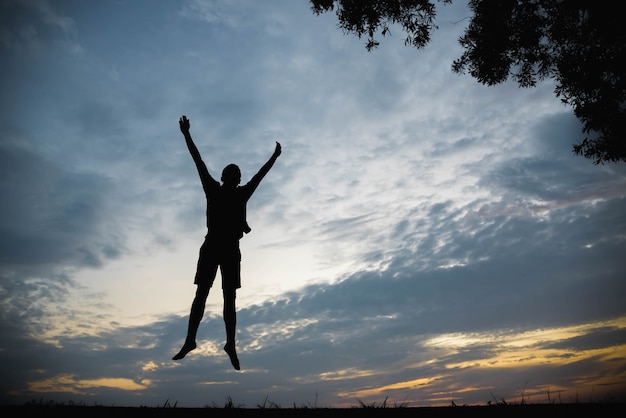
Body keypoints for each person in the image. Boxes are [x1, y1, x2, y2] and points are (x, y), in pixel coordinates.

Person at [173, 115, 281, 370]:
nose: (234, 176)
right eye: (233, 173)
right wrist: (186, 135)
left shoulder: (233, 191)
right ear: (228, 177)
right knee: (208, 295)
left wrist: (274, 158)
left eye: (235, 174)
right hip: (215, 246)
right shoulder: (220, 189)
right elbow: (198, 161)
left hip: (226, 248)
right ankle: (193, 340)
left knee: (224, 297)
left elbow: (258, 176)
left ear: (230, 177)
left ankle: (227, 343)